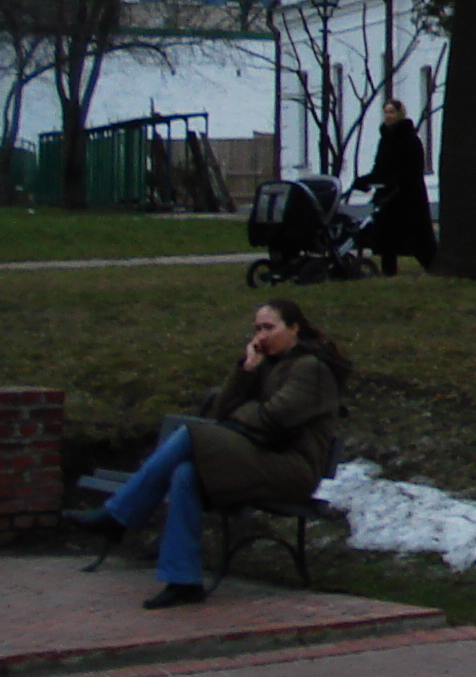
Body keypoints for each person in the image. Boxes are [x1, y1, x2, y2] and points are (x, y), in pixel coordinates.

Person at [79, 300, 351, 609]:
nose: (261, 336)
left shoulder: (311, 368)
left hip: (291, 469)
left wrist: (243, 411)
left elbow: (272, 420)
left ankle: (118, 516)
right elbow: (223, 411)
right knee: (186, 474)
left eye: (269, 328)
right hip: (259, 458)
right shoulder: (268, 365)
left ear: (294, 328)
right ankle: (183, 580)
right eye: (257, 329)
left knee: (190, 434)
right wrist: (247, 371)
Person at [356, 97, 436, 275]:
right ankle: (388, 272)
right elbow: (380, 167)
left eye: (392, 112)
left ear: (400, 114)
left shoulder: (410, 139)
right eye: (386, 112)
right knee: (387, 239)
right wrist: (367, 180)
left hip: (408, 196)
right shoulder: (385, 140)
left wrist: (395, 183)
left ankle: (432, 267)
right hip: (388, 197)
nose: (388, 116)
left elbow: (413, 169)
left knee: (416, 237)